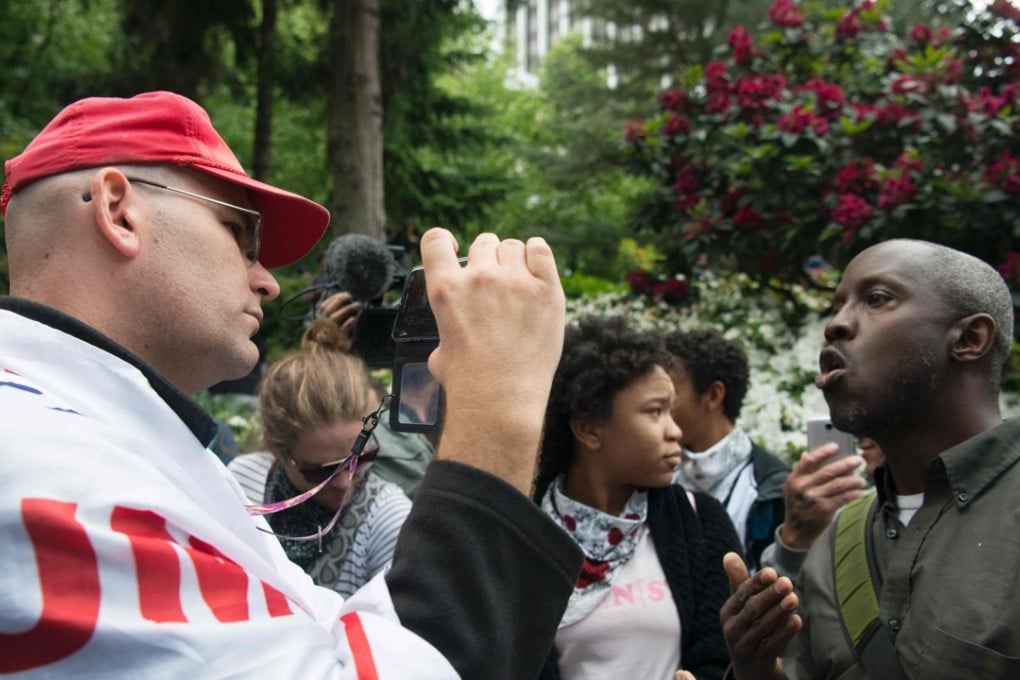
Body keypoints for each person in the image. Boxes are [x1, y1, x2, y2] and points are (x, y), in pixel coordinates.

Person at [0, 91, 583, 678]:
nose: (267, 282)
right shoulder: (46, 467)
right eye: (239, 236)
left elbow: (330, 639)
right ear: (120, 210)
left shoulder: (104, 445)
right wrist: (500, 406)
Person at [720, 239, 1019, 680]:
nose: (836, 324)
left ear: (970, 339)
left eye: (877, 299)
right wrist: (756, 667)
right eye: (837, 305)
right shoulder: (835, 542)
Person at [533, 315, 741, 680]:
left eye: (672, 412)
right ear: (588, 429)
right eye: (654, 412)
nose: (675, 431)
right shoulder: (525, 534)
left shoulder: (700, 522)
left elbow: (722, 657)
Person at [227, 319, 411, 598]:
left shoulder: (388, 520)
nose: (344, 482)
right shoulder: (242, 483)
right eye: (320, 472)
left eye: (362, 458)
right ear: (276, 447)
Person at [665, 328, 790, 573]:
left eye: (668, 395)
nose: (659, 409)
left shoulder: (769, 489)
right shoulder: (653, 474)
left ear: (713, 395)